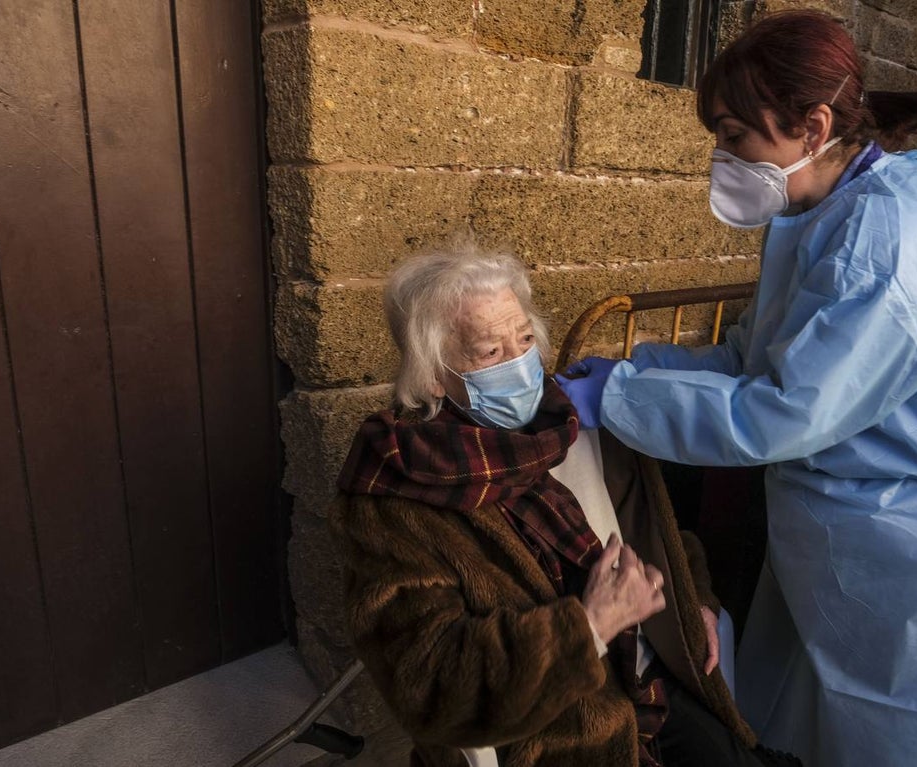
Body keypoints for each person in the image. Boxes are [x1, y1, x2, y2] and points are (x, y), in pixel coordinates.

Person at [557, 10, 917, 767]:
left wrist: (620, 401)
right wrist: (641, 370)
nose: (722, 157)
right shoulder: (825, 213)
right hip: (846, 523)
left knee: (890, 742)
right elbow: (753, 358)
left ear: (813, 127)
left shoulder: (886, 244)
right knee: (795, 724)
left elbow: (782, 411)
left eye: (734, 135)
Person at [329, 243, 798, 767]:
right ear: (434, 376)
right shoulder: (394, 498)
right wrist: (588, 627)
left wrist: (694, 604)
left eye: (525, 339)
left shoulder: (572, 424)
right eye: (490, 352)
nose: (520, 364)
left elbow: (661, 534)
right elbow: (431, 688)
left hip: (646, 681)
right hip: (554, 735)